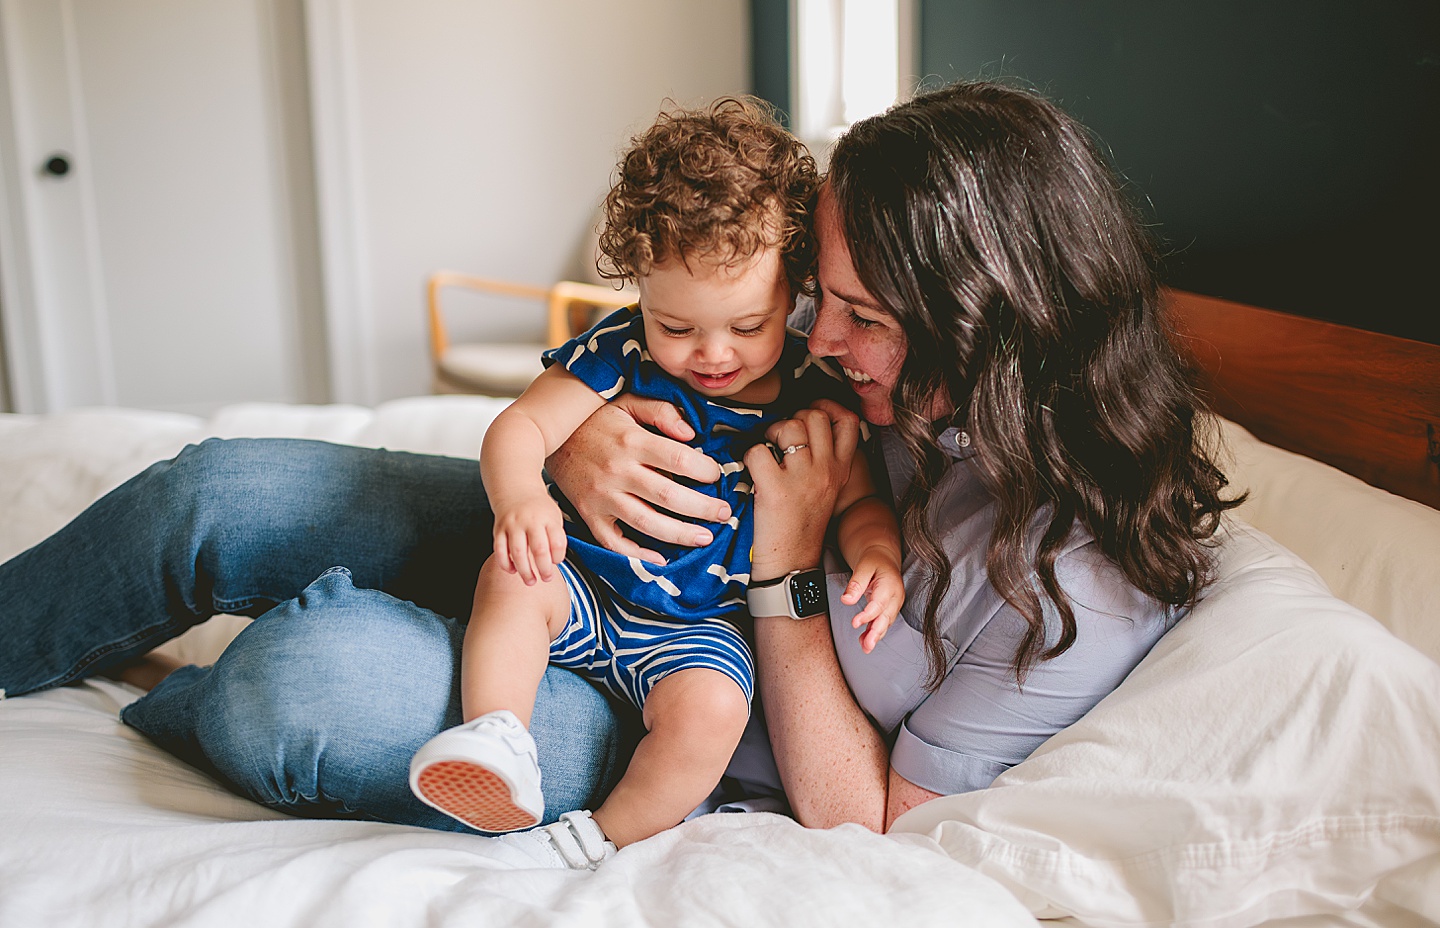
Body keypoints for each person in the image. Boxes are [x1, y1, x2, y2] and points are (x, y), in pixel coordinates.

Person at [0, 79, 1239, 863]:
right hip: (578, 543)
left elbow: (868, 821)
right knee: (218, 491)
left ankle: (164, 692)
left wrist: (787, 573)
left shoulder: (1078, 588)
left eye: (854, 315)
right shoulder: (898, 374)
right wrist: (581, 437)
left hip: (684, 688)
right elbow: (685, 331)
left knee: (308, 685)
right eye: (820, 296)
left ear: (986, 321)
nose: (810, 341)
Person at [405, 98, 903, 857]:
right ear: (639, 289)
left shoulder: (815, 390)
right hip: (586, 582)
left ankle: (596, 839)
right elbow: (519, 427)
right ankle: (498, 735)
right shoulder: (622, 351)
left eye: (747, 327)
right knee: (511, 580)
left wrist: (878, 554)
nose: (712, 354)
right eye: (676, 326)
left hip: (699, 631)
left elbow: (859, 500)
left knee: (713, 716)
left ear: (794, 292)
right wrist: (522, 497)